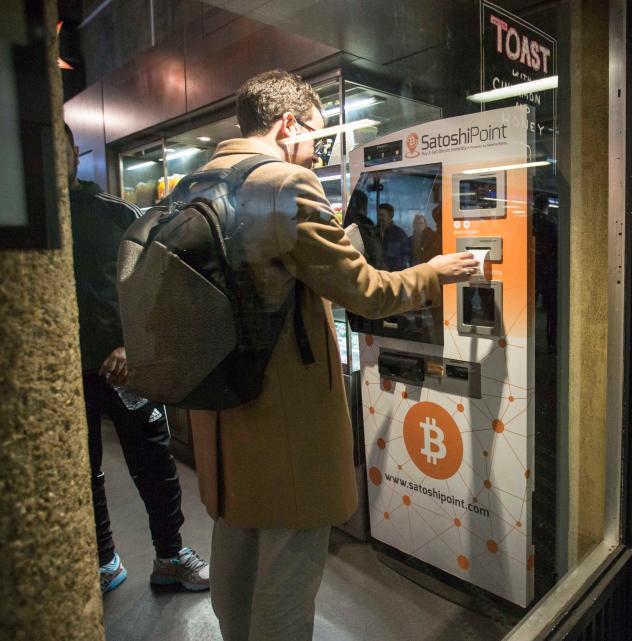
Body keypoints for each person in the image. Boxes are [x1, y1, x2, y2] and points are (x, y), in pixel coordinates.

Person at [186, 70, 478, 641]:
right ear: (287, 124)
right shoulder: (283, 184)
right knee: (288, 578)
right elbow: (366, 291)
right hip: (286, 421)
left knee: (237, 557)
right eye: (317, 139)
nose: (317, 155)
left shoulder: (200, 182)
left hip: (221, 417)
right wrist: (434, 272)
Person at [64, 124, 209, 595]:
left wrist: (133, 346)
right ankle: (103, 560)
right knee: (80, 474)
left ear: (72, 152)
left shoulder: (113, 214)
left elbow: (156, 286)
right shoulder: (30, 222)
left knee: (153, 462)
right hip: (66, 379)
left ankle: (170, 556)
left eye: (59, 148)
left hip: (126, 369)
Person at [377, 202, 411, 270]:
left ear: (390, 216)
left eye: (382, 215)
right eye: (378, 215)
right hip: (377, 273)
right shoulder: (374, 232)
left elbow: (406, 256)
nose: (379, 218)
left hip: (393, 275)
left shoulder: (399, 234)